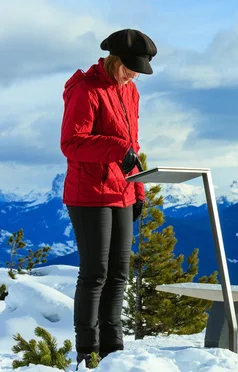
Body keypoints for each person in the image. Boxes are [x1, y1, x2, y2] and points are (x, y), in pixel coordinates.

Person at [60, 29, 157, 369]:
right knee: (95, 273)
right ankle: (88, 350)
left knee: (120, 272)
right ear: (114, 60)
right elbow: (71, 143)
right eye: (131, 68)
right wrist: (116, 149)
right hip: (89, 192)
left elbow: (133, 146)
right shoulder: (85, 91)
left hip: (122, 190)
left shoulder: (130, 92)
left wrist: (139, 188)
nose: (134, 75)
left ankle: (113, 349)